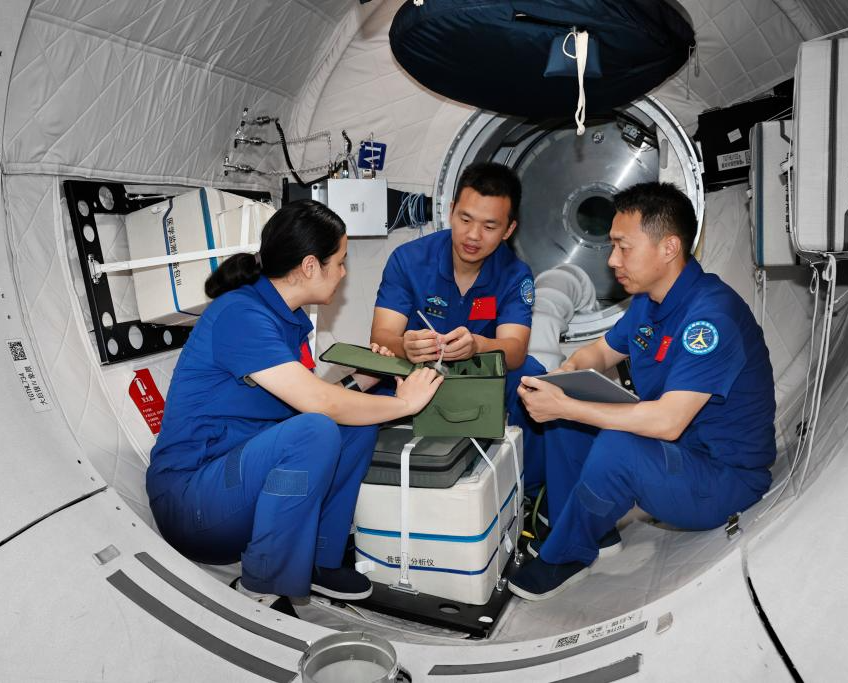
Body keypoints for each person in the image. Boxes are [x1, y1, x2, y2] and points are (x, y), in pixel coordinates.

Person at [146, 200, 443, 603]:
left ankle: (319, 559)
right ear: (309, 266)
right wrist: (406, 405)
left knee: (355, 426)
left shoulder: (285, 321)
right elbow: (316, 403)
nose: (343, 273)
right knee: (317, 429)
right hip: (193, 505)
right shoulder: (240, 314)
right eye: (340, 262)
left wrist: (364, 380)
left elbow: (299, 403)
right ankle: (265, 584)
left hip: (238, 485)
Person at [508, 182, 775, 601]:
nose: (612, 259)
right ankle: (586, 527)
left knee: (612, 441)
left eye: (623, 247)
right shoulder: (651, 301)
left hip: (721, 479)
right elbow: (601, 351)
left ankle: (566, 554)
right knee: (562, 404)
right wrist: (567, 374)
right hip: (675, 454)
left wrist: (568, 406)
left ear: (669, 248)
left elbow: (667, 422)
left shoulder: (711, 318)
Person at [370, 162, 547, 487]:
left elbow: (515, 350)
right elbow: (381, 335)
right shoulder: (409, 260)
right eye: (465, 219)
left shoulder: (515, 274)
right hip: (413, 372)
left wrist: (478, 345)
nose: (473, 235)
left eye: (490, 226)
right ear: (451, 211)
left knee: (532, 379)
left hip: (478, 375)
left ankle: (528, 491)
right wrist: (406, 346)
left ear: (509, 230)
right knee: (371, 379)